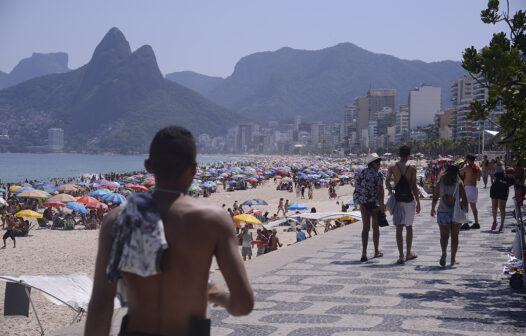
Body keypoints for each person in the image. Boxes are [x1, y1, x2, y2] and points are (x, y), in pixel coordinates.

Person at [85, 126, 253, 336]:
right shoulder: (213, 219)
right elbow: (243, 304)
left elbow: (101, 304)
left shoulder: (117, 219)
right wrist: (220, 297)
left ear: (148, 166)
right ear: (194, 169)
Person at [385, 146, 421, 264]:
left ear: (399, 154)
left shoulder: (392, 166)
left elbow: (386, 181)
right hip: (409, 200)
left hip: (398, 199)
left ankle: (401, 256)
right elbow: (414, 186)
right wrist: (418, 202)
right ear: (409, 154)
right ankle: (408, 253)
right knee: (409, 227)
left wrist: (391, 192)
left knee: (399, 228)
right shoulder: (412, 168)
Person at [430, 165, 468, 267]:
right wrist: (466, 212)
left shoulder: (440, 183)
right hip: (456, 213)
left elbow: (435, 197)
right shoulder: (459, 184)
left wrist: (432, 208)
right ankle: (452, 259)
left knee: (444, 236)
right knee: (455, 237)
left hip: (443, 212)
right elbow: (464, 199)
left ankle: (443, 252)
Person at [353, 153, 385, 262]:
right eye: (377, 162)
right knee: (375, 228)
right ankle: (376, 251)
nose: (379, 164)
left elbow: (357, 186)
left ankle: (364, 253)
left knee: (365, 228)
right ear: (372, 163)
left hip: (364, 203)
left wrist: (361, 198)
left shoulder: (361, 173)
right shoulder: (378, 175)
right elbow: (380, 192)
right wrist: (382, 207)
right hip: (374, 203)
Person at [490, 166, 515, 232]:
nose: (511, 176)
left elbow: (510, 184)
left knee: (502, 208)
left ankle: (502, 224)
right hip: (495, 190)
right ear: (507, 173)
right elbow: (494, 177)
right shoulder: (499, 174)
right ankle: (494, 221)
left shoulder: (512, 179)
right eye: (510, 175)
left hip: (503, 192)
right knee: (494, 207)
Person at [460, 154, 481, 230]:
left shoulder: (467, 167)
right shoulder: (477, 168)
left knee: (465, 206)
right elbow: (478, 179)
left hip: (468, 188)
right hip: (474, 188)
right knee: (473, 207)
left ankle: (465, 223)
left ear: (468, 160)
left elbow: (459, 172)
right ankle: (476, 222)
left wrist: (463, 163)